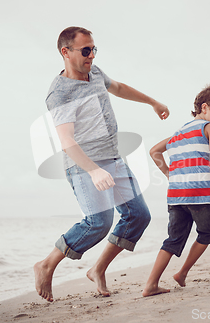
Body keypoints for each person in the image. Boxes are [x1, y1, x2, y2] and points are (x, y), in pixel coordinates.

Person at [34, 26, 169, 302]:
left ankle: (98, 268)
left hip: (113, 158)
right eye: (86, 50)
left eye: (94, 49)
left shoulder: (94, 72)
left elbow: (117, 87)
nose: (92, 55)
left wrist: (151, 102)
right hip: (83, 164)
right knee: (98, 222)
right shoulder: (59, 93)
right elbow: (67, 141)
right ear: (65, 52)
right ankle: (47, 264)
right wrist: (94, 170)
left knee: (139, 216)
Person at [142, 84, 210, 297]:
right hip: (199, 194)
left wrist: (168, 174)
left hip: (175, 195)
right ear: (204, 107)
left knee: (173, 240)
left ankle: (150, 285)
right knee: (207, 232)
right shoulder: (209, 128)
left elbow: (154, 151)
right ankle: (182, 273)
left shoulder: (178, 134)